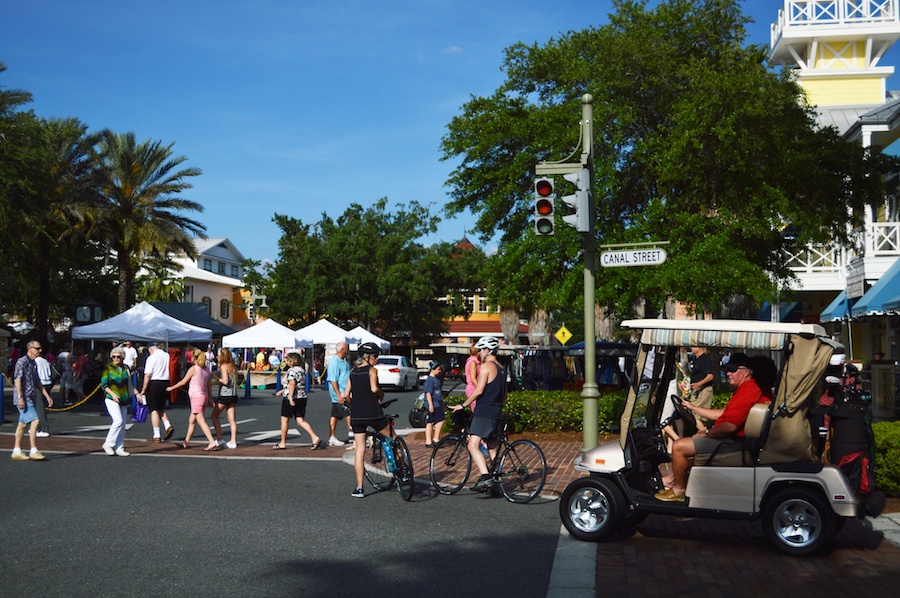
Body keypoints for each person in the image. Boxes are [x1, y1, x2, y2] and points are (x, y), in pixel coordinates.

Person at [655, 353, 773, 502]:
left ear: (745, 372)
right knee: (690, 448)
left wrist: (708, 433)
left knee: (679, 447)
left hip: (733, 442)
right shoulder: (748, 389)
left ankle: (679, 490)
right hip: (734, 439)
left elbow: (729, 427)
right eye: (726, 369)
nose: (727, 373)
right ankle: (673, 480)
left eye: (731, 369)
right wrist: (693, 408)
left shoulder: (749, 390)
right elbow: (725, 414)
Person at [451, 336, 507, 491]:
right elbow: (505, 395)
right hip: (497, 411)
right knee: (492, 449)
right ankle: (496, 485)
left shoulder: (487, 366)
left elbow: (479, 390)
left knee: (473, 445)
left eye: (482, 350)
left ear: (487, 350)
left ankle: (485, 477)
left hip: (484, 411)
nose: (480, 353)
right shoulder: (502, 368)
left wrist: (463, 404)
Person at [347, 342, 388, 497]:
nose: (377, 359)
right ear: (369, 357)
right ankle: (403, 469)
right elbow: (374, 389)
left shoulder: (353, 372)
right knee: (393, 437)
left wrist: (353, 404)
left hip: (356, 415)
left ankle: (359, 487)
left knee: (360, 449)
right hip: (372, 413)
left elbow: (345, 395)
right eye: (376, 356)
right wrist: (381, 395)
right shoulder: (372, 370)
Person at [10, 341, 54, 461]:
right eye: (37, 348)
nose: (40, 351)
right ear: (30, 348)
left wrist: (47, 396)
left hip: (31, 396)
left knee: (22, 425)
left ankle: (16, 450)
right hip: (24, 398)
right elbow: (17, 380)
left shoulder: (33, 363)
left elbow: (37, 381)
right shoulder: (22, 362)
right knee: (35, 420)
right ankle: (33, 449)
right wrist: (20, 397)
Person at [167, 349, 217, 451]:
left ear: (194, 358)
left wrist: (171, 388)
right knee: (192, 420)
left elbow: (183, 382)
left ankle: (212, 441)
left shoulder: (194, 369)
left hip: (196, 397)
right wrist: (210, 398)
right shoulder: (207, 370)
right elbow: (209, 386)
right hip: (203, 396)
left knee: (201, 420)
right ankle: (186, 441)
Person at [273, 353, 323, 450]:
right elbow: (297, 384)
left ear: (291, 361)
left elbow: (292, 383)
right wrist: (283, 390)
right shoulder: (302, 370)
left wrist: (290, 397)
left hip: (292, 397)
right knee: (300, 420)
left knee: (284, 420)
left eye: (288, 360)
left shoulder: (291, 371)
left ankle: (282, 442)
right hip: (302, 396)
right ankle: (314, 437)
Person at [100, 347, 134, 456]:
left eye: (118, 356)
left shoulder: (125, 368)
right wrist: (113, 394)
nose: (116, 358)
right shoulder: (108, 368)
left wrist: (137, 394)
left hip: (124, 398)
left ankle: (120, 447)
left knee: (123, 424)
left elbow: (129, 383)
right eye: (114, 356)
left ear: (122, 357)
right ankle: (108, 443)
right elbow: (104, 384)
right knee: (118, 421)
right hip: (111, 398)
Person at [140, 343, 175, 442]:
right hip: (166, 382)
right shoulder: (167, 355)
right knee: (161, 407)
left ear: (151, 349)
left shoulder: (152, 357)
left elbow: (148, 375)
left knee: (154, 409)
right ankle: (167, 425)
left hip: (155, 382)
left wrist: (143, 388)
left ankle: (156, 434)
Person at [212, 347, 239, 449]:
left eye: (218, 356)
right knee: (232, 419)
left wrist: (215, 377)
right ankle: (233, 440)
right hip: (233, 394)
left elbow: (225, 381)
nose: (217, 357)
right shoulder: (232, 366)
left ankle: (220, 438)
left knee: (214, 416)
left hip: (225, 395)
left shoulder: (223, 366)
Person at [327, 342, 352, 446]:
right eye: (347, 348)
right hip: (340, 393)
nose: (348, 350)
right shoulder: (335, 362)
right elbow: (333, 380)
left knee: (335, 414)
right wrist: (338, 395)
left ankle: (331, 437)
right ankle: (353, 436)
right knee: (349, 413)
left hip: (344, 391)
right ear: (342, 349)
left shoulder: (344, 361)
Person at [688, 346, 715, 428]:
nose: (691, 348)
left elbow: (710, 376)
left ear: (699, 347)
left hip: (703, 390)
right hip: (696, 391)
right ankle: (704, 435)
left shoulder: (705, 359)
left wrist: (698, 384)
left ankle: (703, 432)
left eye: (693, 346)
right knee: (701, 417)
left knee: (694, 413)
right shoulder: (696, 359)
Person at [423, 360, 446, 447]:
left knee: (430, 422)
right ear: (433, 369)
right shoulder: (430, 380)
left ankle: (428, 441)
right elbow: (428, 393)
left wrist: (442, 403)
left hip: (437, 403)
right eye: (438, 369)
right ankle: (436, 439)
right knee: (441, 420)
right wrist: (431, 405)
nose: (440, 371)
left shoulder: (436, 380)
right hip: (433, 404)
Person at [33, 350, 53, 437]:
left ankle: (44, 429)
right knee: (40, 406)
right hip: (48, 383)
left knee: (39, 407)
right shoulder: (45, 361)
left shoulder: (35, 362)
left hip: (40, 384)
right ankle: (37, 427)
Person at [464, 344, 480, 412]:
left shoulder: (472, 360)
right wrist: (480, 388)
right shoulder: (473, 362)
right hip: (473, 388)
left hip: (473, 388)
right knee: (477, 410)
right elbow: (473, 378)